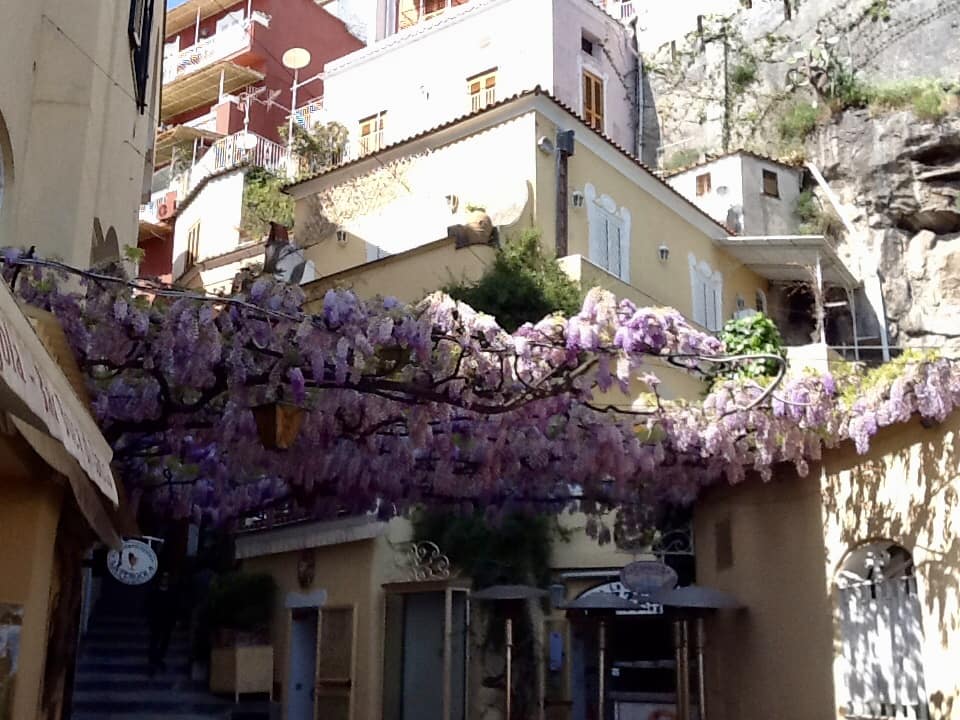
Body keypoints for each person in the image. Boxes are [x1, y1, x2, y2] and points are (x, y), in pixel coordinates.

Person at [146, 571, 178, 674]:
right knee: (154, 641)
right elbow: (149, 606)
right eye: (163, 578)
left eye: (166, 579)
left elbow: (174, 607)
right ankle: (152, 661)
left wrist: (174, 620)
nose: (164, 580)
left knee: (164, 642)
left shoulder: (172, 593)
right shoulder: (154, 592)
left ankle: (159, 659)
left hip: (167, 622)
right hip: (156, 621)